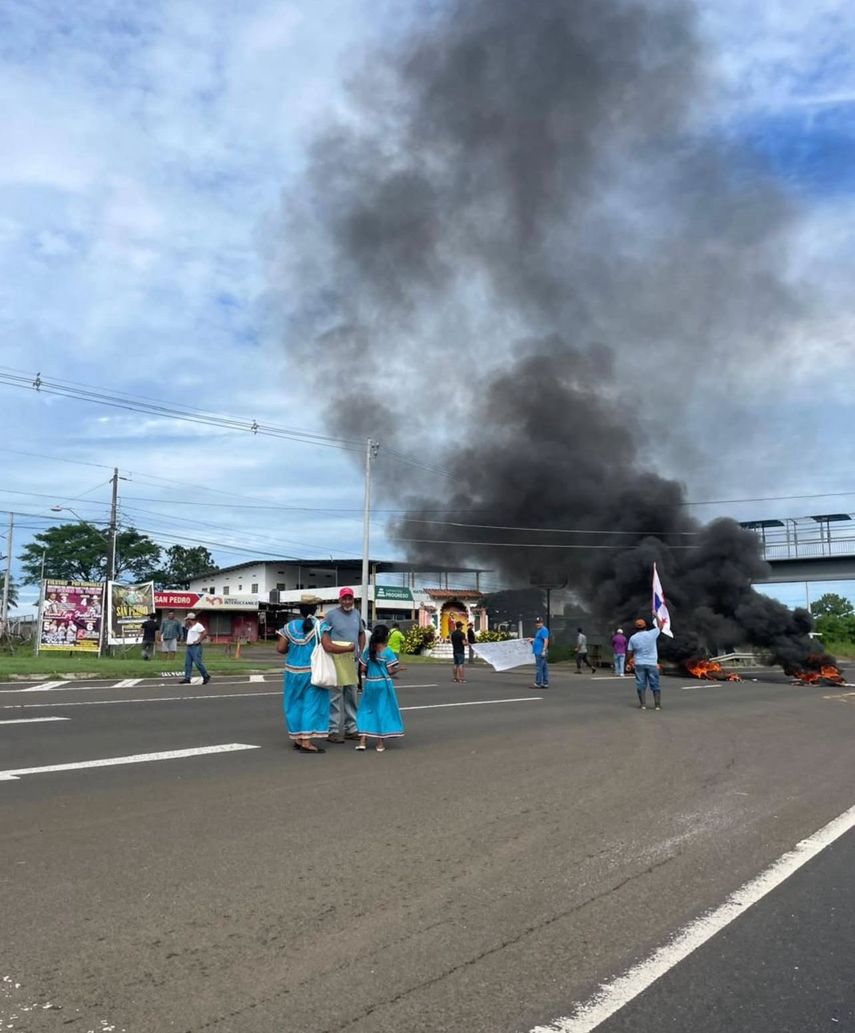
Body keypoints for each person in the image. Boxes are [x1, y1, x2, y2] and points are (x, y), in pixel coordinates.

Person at [276, 594, 330, 754]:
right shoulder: (320, 626)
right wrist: (348, 649)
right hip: (312, 672)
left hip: (292, 671)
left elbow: (280, 649)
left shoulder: (289, 626)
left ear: (300, 609)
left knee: (293, 704)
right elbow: (328, 646)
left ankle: (298, 738)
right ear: (315, 609)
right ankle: (306, 741)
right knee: (311, 706)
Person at [323, 587, 366, 743]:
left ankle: (351, 728)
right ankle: (332, 730)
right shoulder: (331, 616)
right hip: (336, 660)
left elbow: (361, 633)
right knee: (335, 694)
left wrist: (360, 651)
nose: (347, 601)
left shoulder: (356, 614)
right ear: (339, 600)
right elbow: (324, 634)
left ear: (353, 600)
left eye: (350, 598)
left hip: (352, 661)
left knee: (352, 694)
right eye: (344, 598)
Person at [355, 624, 404, 752]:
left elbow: (362, 668)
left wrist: (368, 675)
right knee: (382, 711)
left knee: (366, 710)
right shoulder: (388, 651)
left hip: (370, 683)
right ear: (386, 637)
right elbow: (390, 670)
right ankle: (380, 743)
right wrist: (399, 669)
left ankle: (362, 741)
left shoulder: (368, 651)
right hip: (383, 684)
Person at [627, 615, 665, 710]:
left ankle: (643, 705)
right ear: (645, 626)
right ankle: (657, 705)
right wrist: (656, 615)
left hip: (639, 664)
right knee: (655, 684)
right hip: (652, 664)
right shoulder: (652, 634)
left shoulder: (633, 638)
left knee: (641, 684)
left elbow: (629, 652)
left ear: (635, 628)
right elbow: (661, 626)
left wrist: (628, 661)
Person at [180, 612, 210, 684]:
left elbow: (204, 633)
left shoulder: (198, 625)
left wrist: (198, 640)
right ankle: (187, 678)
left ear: (190, 619)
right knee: (188, 663)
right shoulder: (190, 627)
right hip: (189, 646)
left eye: (187, 620)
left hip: (195, 647)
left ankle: (205, 675)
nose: (186, 621)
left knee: (198, 663)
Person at [530, 616, 550, 689]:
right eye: (537, 623)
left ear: (542, 623)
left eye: (539, 623)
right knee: (544, 668)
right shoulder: (539, 630)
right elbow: (539, 639)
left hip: (540, 652)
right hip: (538, 651)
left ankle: (538, 683)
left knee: (539, 668)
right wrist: (532, 640)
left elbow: (546, 640)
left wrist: (544, 650)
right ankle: (545, 683)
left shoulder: (543, 630)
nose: (537, 624)